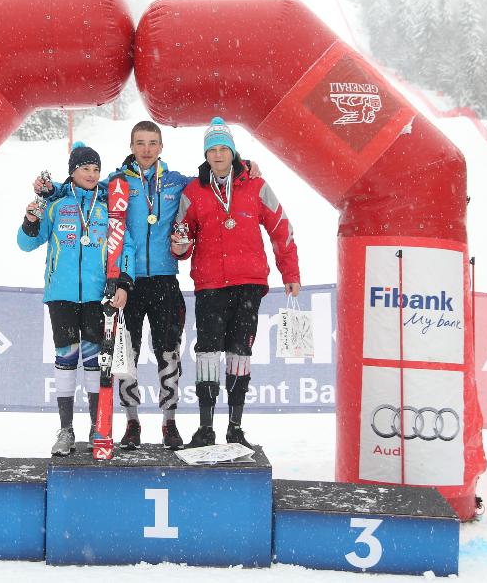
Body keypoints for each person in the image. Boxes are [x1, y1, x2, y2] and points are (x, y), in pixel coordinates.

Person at [33, 123, 263, 451]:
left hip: (165, 281)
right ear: (131, 145)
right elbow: (81, 186)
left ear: (161, 146)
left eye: (152, 143)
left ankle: (170, 422)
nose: (146, 149)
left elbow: (215, 178)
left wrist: (244, 166)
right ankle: (132, 422)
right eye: (140, 143)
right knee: (126, 355)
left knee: (169, 354)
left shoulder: (176, 182)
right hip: (127, 284)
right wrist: (50, 189)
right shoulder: (117, 182)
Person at [171, 117, 300, 449]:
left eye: (223, 149)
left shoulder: (256, 185)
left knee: (240, 352)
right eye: (212, 149)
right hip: (210, 284)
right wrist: (180, 245)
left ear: (232, 152)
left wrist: (290, 273)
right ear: (206, 154)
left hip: (248, 283)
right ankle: (205, 428)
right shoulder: (193, 191)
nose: (218, 155)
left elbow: (281, 228)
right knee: (207, 353)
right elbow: (182, 241)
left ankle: (235, 427)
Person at [18, 141, 134, 456]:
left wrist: (124, 283)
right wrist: (30, 220)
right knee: (66, 359)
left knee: (96, 362)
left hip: (98, 297)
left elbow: (126, 246)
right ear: (73, 171)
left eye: (96, 169)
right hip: (62, 295)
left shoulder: (107, 205)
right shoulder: (56, 205)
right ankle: (66, 430)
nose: (91, 174)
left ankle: (98, 427)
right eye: (85, 168)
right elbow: (27, 243)